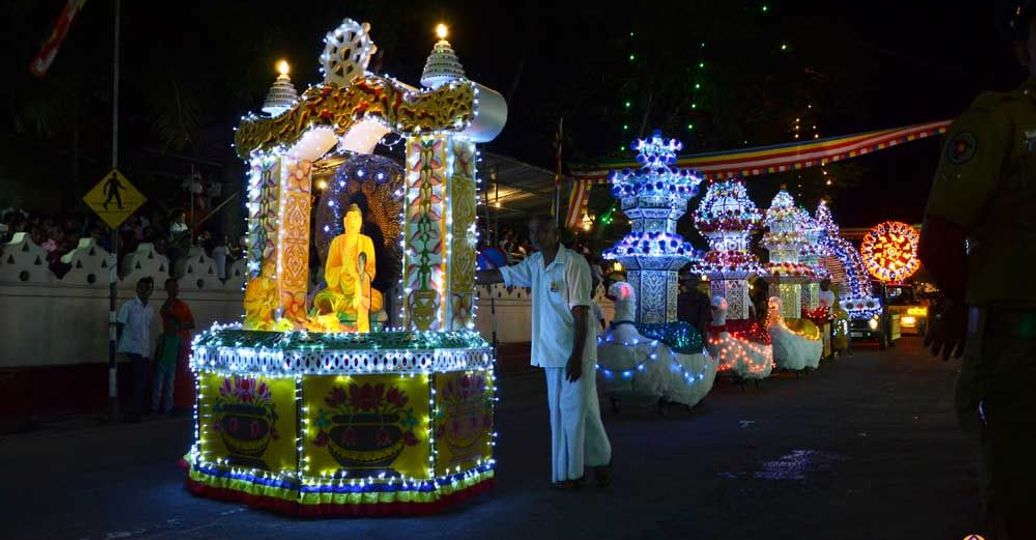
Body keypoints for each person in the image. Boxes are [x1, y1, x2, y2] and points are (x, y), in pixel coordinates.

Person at [918, 5, 1036, 537]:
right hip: (1022, 349)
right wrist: (969, 299)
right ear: (1022, 48)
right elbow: (940, 240)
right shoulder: (1001, 122)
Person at [477, 213, 611, 489]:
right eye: (532, 230)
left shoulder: (573, 264)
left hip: (576, 354)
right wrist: (463, 275)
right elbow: (499, 275)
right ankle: (600, 461)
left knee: (571, 414)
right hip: (551, 354)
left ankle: (571, 474)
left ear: (556, 234)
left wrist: (576, 356)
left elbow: (581, 314)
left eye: (541, 230)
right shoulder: (535, 264)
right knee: (580, 412)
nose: (535, 236)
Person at [314, 204, 382, 332]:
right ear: (345, 221)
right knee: (321, 298)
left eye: (355, 218)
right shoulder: (337, 242)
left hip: (360, 290)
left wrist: (359, 275)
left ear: (360, 222)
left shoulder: (366, 242)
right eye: (349, 219)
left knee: (377, 299)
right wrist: (343, 269)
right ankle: (351, 306)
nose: (352, 222)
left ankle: (353, 306)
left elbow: (371, 272)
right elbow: (329, 272)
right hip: (339, 291)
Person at [117, 277, 156, 422]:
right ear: (137, 289)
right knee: (140, 380)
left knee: (142, 380)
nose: (145, 291)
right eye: (142, 287)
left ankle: (137, 409)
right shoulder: (129, 306)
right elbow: (120, 325)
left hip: (144, 349)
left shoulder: (150, 309)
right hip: (132, 347)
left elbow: (146, 329)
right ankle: (136, 410)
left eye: (148, 288)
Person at [159, 278, 196, 412]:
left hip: (184, 344)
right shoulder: (166, 306)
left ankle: (185, 403)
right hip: (171, 346)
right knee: (171, 376)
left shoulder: (183, 305)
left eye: (175, 287)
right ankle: (171, 405)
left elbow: (192, 323)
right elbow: (166, 319)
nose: (174, 289)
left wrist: (179, 326)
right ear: (166, 289)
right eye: (171, 287)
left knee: (185, 373)